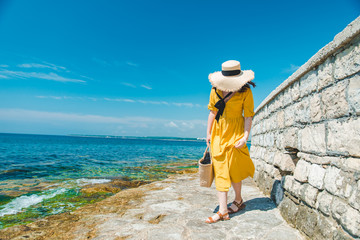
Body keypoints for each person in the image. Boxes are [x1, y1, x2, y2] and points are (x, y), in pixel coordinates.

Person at [205, 60, 256, 223]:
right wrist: (208, 133)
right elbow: (212, 113)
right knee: (220, 169)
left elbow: (248, 115)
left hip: (236, 132)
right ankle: (222, 210)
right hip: (218, 133)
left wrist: (245, 137)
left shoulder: (245, 92)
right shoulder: (215, 90)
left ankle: (238, 200)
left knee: (234, 168)